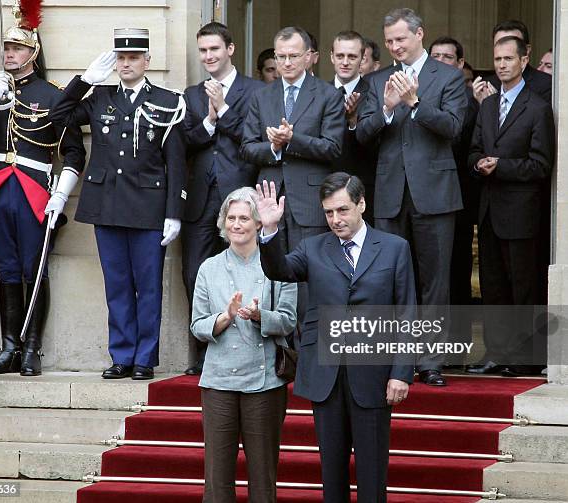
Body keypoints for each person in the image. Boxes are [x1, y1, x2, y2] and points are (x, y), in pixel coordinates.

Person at [257, 173, 416, 503]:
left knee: (372, 473)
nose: (335, 219)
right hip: (324, 372)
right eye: (329, 213)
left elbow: (407, 313)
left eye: (342, 210)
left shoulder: (394, 248)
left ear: (361, 205)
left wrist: (401, 372)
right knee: (332, 471)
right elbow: (279, 270)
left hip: (373, 372)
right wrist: (270, 230)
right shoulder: (313, 248)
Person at [48, 28, 187, 380]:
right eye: (121, 58)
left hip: (148, 207)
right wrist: (83, 81)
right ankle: (121, 355)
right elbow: (56, 116)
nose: (126, 64)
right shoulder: (100, 98)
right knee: (118, 285)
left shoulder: (169, 101)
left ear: (147, 62)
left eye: (133, 58)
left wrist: (174, 213)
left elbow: (176, 163)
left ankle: (144, 358)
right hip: (107, 205)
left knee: (148, 285)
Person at [0, 1, 85, 376]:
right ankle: (9, 347)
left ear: (33, 52)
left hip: (34, 191)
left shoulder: (53, 96)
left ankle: (32, 348)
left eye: (16, 48)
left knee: (35, 272)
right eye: (6, 48)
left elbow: (73, 152)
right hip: (0, 190)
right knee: (7, 271)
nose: (9, 54)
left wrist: (60, 195)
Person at [355, 8, 466, 386]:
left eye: (401, 39)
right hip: (389, 193)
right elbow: (362, 135)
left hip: (434, 193)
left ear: (420, 35)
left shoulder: (448, 77)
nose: (395, 46)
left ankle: (431, 360)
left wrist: (416, 103)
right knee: (388, 278)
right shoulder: (376, 80)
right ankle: (393, 359)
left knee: (435, 280)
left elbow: (453, 128)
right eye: (389, 41)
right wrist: (387, 107)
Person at [191, 187, 297, 503]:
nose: (237, 224)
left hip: (264, 382)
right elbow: (197, 326)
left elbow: (289, 321)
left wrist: (257, 315)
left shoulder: (280, 266)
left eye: (244, 218)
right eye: (231, 218)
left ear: (257, 223)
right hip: (218, 381)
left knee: (263, 479)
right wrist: (224, 317)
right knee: (217, 481)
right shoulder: (208, 268)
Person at [241, 26, 344, 324]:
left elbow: (334, 148)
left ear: (310, 57)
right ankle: (276, 354)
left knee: (307, 282)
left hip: (309, 201)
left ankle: (306, 354)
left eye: (293, 56)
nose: (286, 63)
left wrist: (293, 140)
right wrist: (273, 147)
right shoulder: (262, 96)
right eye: (281, 56)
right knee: (267, 276)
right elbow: (246, 148)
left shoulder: (327, 95)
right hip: (269, 198)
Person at [467, 36, 554, 376]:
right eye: (497, 59)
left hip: (522, 213)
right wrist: (478, 164)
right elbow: (473, 149)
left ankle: (526, 358)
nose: (501, 64)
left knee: (523, 287)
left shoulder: (537, 107)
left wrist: (500, 165)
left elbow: (541, 164)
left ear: (523, 61)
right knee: (493, 287)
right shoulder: (487, 106)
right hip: (490, 211)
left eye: (508, 59)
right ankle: (497, 353)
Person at [182, 22, 264, 375]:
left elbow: (253, 138)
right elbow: (185, 140)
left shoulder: (255, 90)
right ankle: (202, 353)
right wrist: (211, 121)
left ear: (230, 49)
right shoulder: (191, 93)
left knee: (243, 275)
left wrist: (225, 112)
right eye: (203, 51)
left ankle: (245, 349)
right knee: (194, 273)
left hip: (239, 194)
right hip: (200, 197)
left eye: (214, 49)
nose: (208, 57)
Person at [429, 37, 480, 359]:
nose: (442, 61)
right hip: (425, 198)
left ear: (460, 64)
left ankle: (456, 347)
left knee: (456, 274)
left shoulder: (470, 102)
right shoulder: (416, 95)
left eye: (448, 57)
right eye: (436, 56)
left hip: (458, 196)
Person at [329, 30, 376, 224]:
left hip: (363, 186)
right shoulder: (318, 92)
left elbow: (379, 142)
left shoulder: (376, 92)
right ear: (331, 57)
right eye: (340, 56)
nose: (345, 62)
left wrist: (353, 122)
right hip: (325, 185)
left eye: (352, 56)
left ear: (363, 58)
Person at [475, 20, 551, 104]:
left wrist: (493, 106)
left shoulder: (547, 84)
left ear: (527, 50)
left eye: (511, 42)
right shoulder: (485, 85)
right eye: (500, 43)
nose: (505, 48)